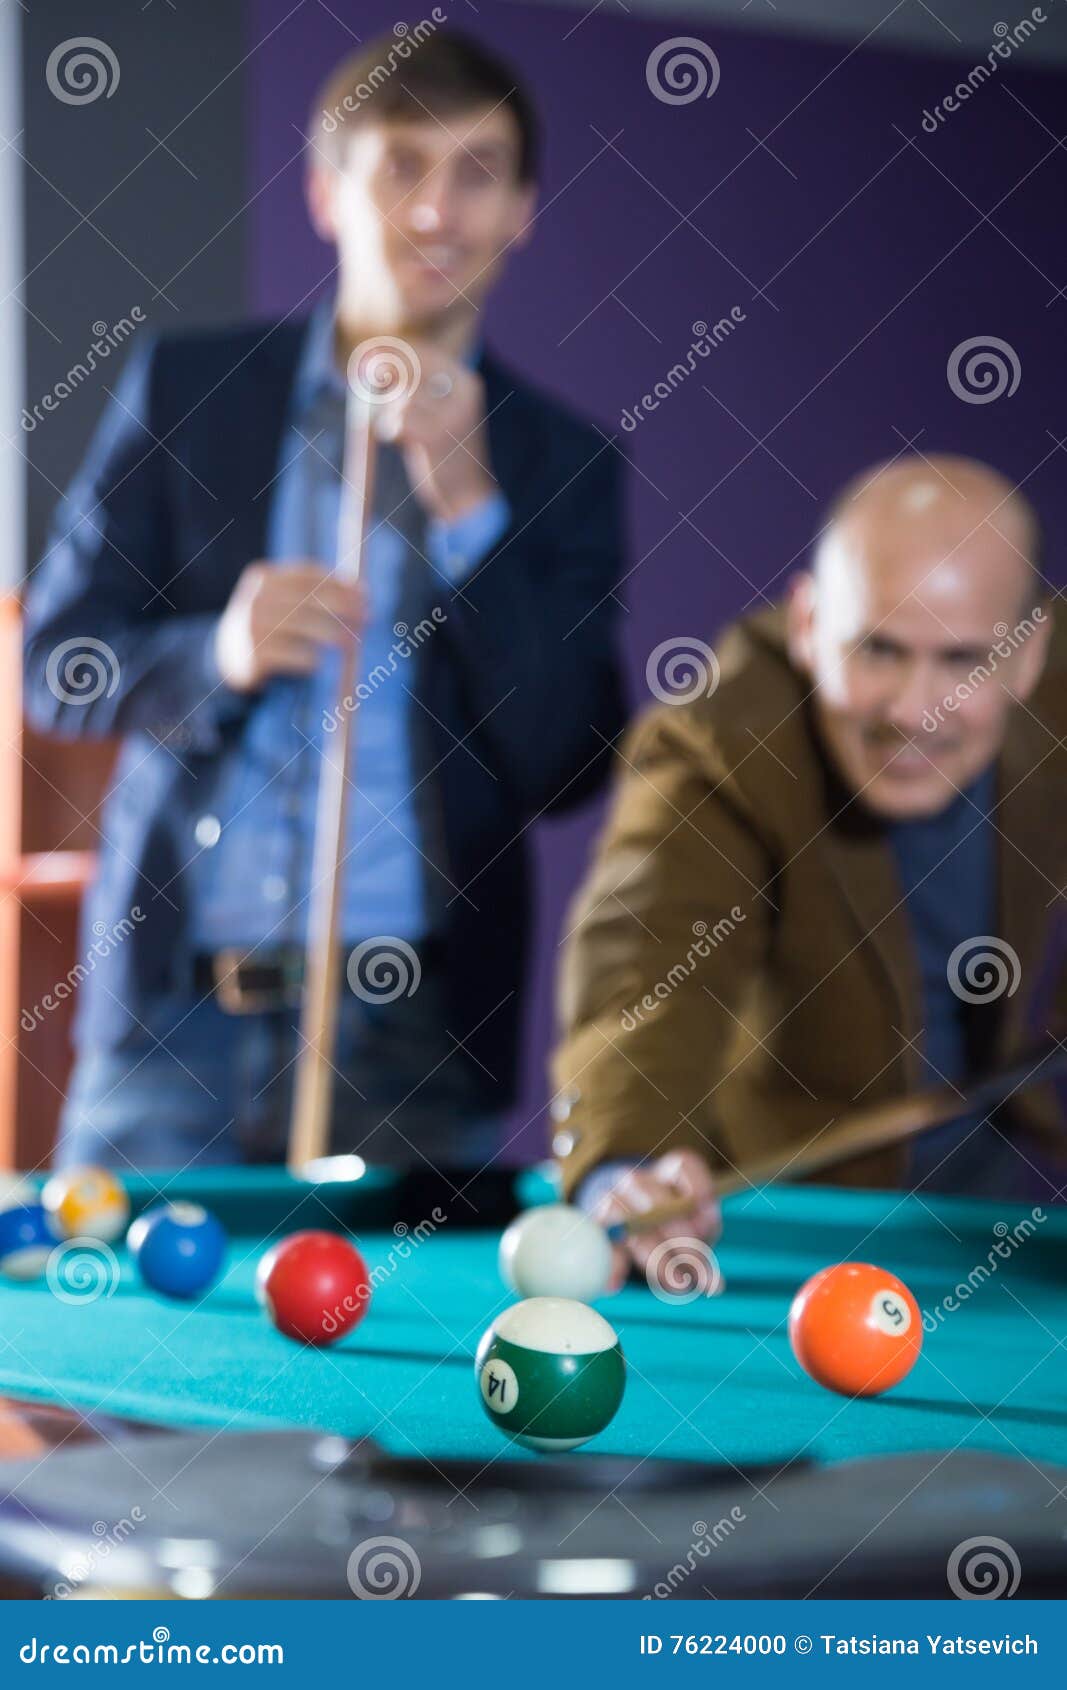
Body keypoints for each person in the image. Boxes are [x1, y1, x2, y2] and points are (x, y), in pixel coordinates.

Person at [23, 31, 625, 1171]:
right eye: (400, 166)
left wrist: (469, 516)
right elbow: (57, 662)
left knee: (391, 1345)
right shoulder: (187, 391)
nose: (437, 214)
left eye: (476, 174)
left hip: (416, 1042)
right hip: (171, 1028)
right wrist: (219, 654)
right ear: (323, 191)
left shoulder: (561, 464)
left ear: (522, 212)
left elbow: (567, 759)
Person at [553, 455, 1067, 1288]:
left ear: (1026, 652)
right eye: (877, 649)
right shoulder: (722, 738)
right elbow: (644, 972)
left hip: (987, 1224)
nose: (911, 708)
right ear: (805, 622)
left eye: (961, 661)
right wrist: (626, 1163)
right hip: (783, 1221)